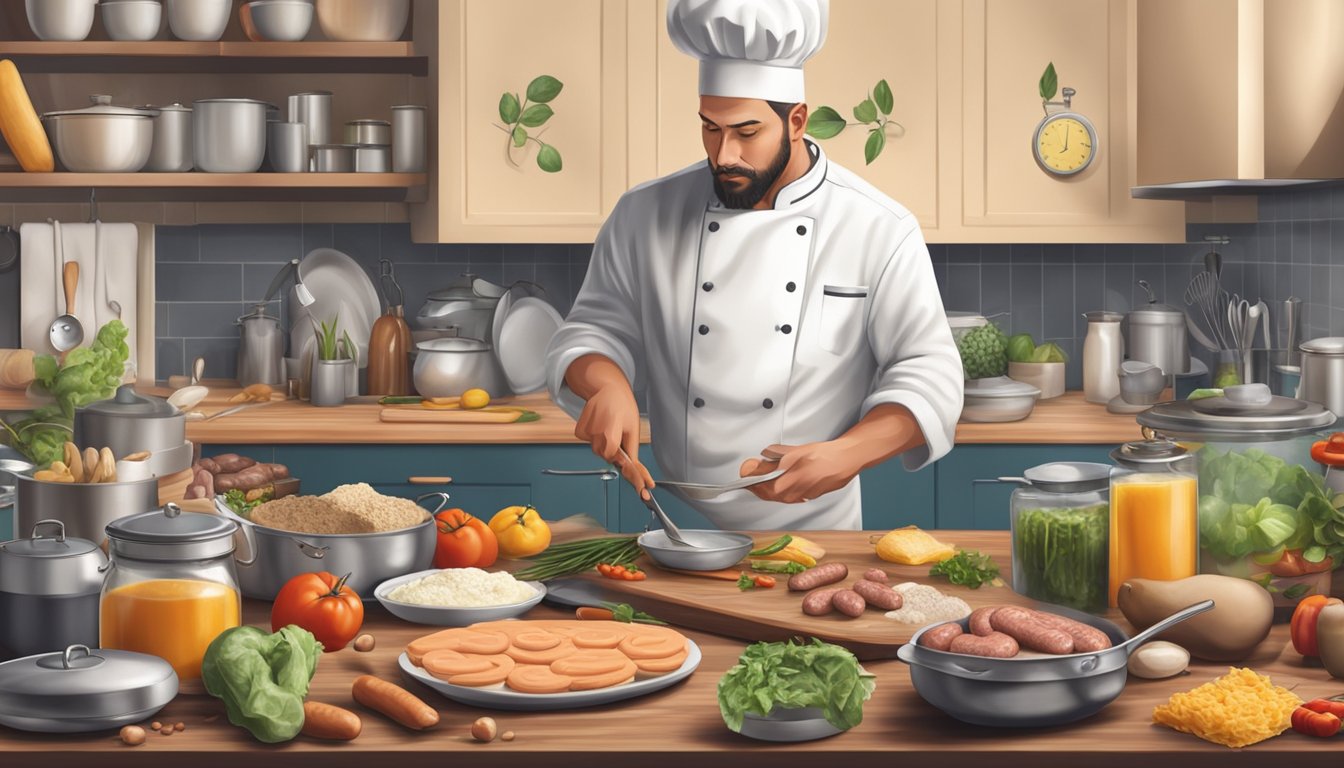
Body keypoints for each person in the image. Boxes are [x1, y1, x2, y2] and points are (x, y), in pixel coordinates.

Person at [543, 0, 963, 530]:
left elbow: (931, 373)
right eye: (710, 128)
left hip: (817, 531)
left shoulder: (876, 225)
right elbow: (591, 330)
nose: (724, 154)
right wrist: (605, 383)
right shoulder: (644, 214)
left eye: (746, 132)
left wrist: (848, 453)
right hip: (672, 521)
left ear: (796, 120)